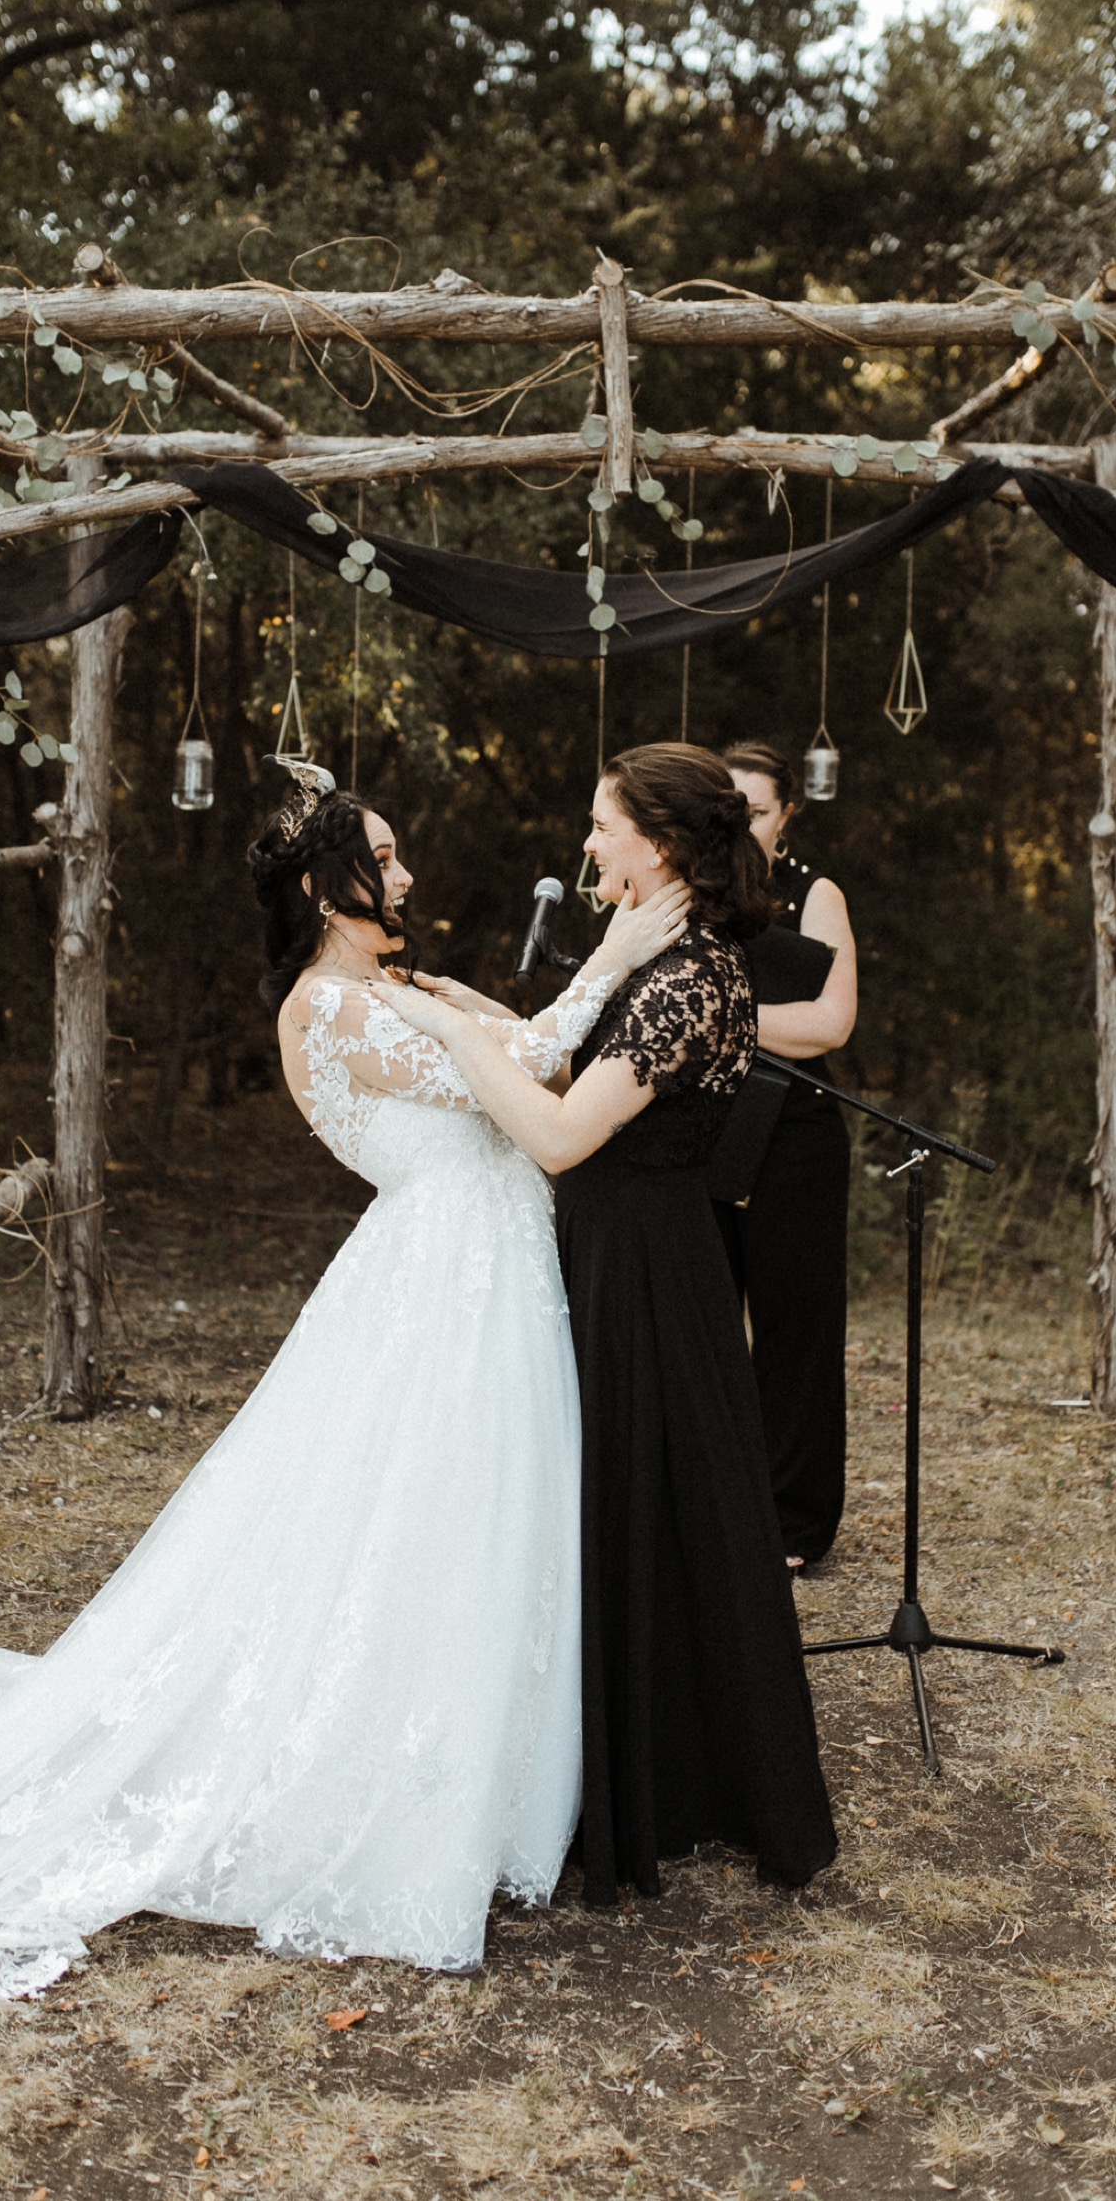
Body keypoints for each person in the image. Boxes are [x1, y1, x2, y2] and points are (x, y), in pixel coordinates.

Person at [0, 763, 687, 2083]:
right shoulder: (329, 1009)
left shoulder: (391, 990)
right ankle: (404, 1798)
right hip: (441, 1286)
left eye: (402, 858)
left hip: (482, 1274)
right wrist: (623, 948)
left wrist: (542, 989)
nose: (406, 878)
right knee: (429, 1521)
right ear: (320, 887)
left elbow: (508, 1051)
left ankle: (505, 1782)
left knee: (479, 1521)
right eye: (384, 860)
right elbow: (528, 1065)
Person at [378, 742, 837, 1905]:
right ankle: (638, 1771)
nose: (586, 843)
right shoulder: (658, 961)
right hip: (605, 1250)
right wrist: (475, 1009)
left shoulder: (697, 979)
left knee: (662, 1518)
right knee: (632, 1522)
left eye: (602, 825)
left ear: (664, 845)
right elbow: (571, 1058)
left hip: (647, 1272)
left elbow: (561, 1133)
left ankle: (688, 1788)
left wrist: (455, 1040)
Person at [714, 742, 858, 1571]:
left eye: (756, 811)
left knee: (794, 1327)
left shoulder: (814, 894)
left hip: (794, 1134)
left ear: (787, 815)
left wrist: (713, 1019)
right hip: (697, 1128)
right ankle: (713, 1499)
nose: (741, 826)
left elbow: (830, 1023)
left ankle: (793, 1523)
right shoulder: (685, 896)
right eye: (726, 811)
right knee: (703, 1318)